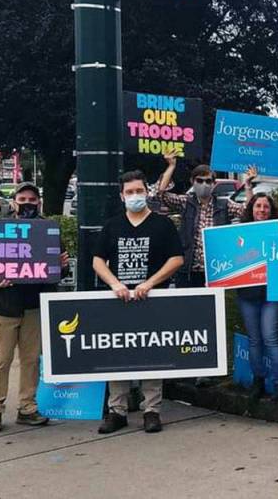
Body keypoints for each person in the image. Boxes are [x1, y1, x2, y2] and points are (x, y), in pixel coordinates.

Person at [92, 170, 185, 434]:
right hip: (119, 302)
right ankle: (117, 411)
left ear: (147, 192)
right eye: (129, 192)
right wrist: (115, 284)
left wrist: (149, 283)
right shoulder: (112, 225)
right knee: (117, 355)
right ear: (122, 196)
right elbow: (97, 260)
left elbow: (176, 259)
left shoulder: (162, 224)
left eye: (139, 191)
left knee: (152, 354)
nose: (135, 196)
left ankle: (152, 410)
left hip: (153, 300)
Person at [0, 182, 68, 433]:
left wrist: (61, 266)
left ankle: (27, 407)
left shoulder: (48, 231)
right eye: (22, 198)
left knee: (31, 359)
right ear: (13, 202)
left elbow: (58, 272)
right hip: (1, 306)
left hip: (34, 305)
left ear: (39, 202)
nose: (27, 203)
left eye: (32, 199)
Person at [155, 153, 254, 288]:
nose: (204, 184)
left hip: (217, 271)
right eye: (200, 181)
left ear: (213, 184)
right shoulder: (186, 202)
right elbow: (161, 194)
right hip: (188, 271)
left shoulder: (224, 205)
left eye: (208, 181)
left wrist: (248, 185)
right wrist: (171, 166)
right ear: (193, 182)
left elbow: (248, 212)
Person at [236, 192, 278, 400]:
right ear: (251, 209)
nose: (262, 210)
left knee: (271, 338)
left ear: (271, 210)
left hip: (271, 294)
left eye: (265, 207)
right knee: (254, 340)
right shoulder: (240, 232)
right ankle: (258, 380)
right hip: (247, 294)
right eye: (258, 206)